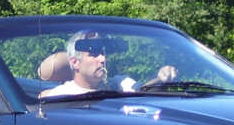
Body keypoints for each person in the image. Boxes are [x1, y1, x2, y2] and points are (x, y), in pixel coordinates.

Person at [40, 30, 176, 97]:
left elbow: (142, 91)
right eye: (94, 54)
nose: (103, 59)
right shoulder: (60, 96)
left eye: (104, 53)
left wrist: (160, 76)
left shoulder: (118, 84)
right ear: (75, 63)